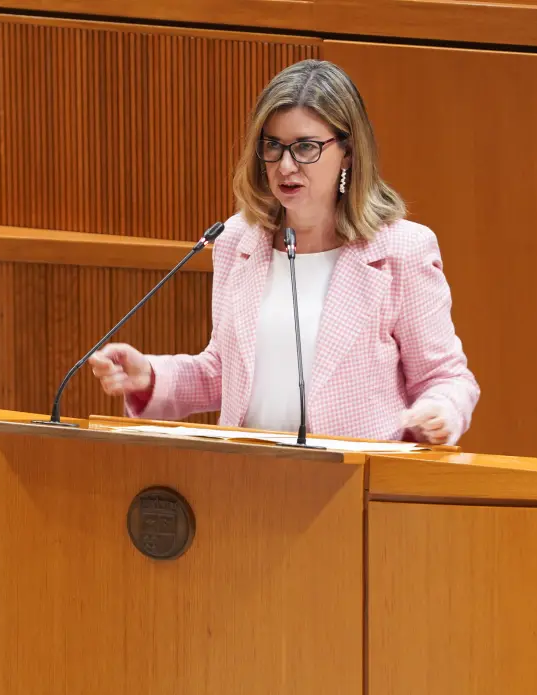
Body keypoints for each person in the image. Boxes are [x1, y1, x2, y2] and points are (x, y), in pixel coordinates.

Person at [88, 59, 479, 445]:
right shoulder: (239, 240)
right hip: (248, 474)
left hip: (353, 478)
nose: (286, 165)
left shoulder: (400, 250)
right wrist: (150, 376)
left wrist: (440, 412)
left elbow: (446, 378)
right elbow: (223, 372)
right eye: (273, 146)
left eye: (305, 147)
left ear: (348, 151)